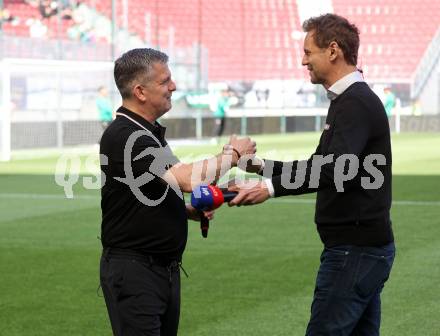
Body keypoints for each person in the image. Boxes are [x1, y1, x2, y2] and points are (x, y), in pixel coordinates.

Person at [229, 14, 395, 336]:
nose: (303, 60)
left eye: (308, 52)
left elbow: (334, 170)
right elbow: (319, 165)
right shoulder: (348, 100)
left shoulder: (355, 102)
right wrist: (261, 168)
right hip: (362, 249)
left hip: (354, 251)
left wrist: (269, 187)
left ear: (333, 50)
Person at [99, 48, 255, 336]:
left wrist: (186, 211)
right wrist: (233, 155)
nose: (173, 86)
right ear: (140, 91)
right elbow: (185, 179)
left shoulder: (145, 132)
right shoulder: (127, 136)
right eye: (165, 81)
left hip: (160, 270)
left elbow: (152, 189)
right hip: (135, 271)